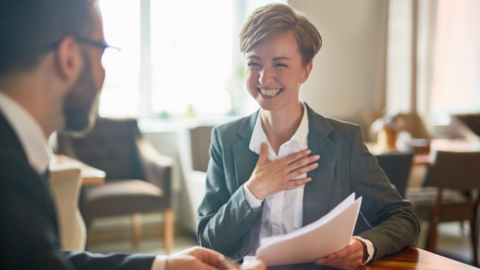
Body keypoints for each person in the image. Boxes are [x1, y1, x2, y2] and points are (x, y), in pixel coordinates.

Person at [0, 1, 266, 270]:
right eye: (102, 52)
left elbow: (47, 261)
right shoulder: (10, 174)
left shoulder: (17, 155)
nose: (104, 72)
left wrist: (163, 265)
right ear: (68, 57)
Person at [197, 3, 420, 270]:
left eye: (279, 64)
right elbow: (208, 242)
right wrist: (252, 191)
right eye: (254, 63)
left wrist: (362, 247)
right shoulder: (225, 138)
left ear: (306, 71)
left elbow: (403, 218)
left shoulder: (343, 141)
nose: (264, 78)